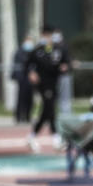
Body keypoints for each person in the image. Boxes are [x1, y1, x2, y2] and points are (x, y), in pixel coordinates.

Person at [27, 24, 69, 152]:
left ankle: (33, 136)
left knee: (48, 111)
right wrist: (31, 73)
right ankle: (56, 139)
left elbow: (67, 62)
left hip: (54, 83)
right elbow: (28, 65)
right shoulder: (37, 50)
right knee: (49, 108)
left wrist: (65, 67)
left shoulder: (59, 49)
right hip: (43, 84)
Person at [12, 34, 36, 125]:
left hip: (30, 79)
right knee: (21, 98)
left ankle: (27, 116)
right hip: (22, 79)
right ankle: (19, 116)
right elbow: (18, 65)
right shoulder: (19, 52)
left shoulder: (33, 52)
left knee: (30, 99)